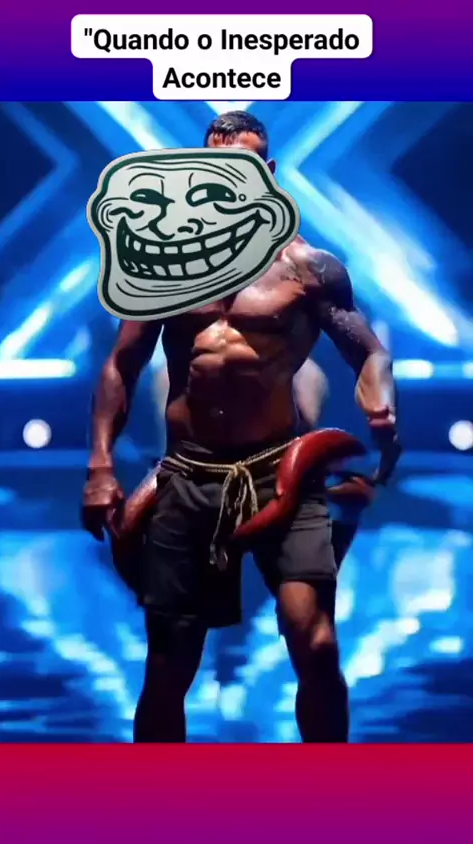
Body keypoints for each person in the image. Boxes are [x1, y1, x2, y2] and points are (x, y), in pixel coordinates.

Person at [82, 111, 400, 743]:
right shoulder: (164, 267)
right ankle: (151, 797)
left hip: (281, 474)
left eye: (244, 165)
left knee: (316, 645)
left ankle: (337, 790)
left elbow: (368, 351)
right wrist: (100, 465)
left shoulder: (308, 268)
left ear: (268, 172)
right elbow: (123, 363)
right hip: (189, 475)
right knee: (169, 662)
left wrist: (380, 404)